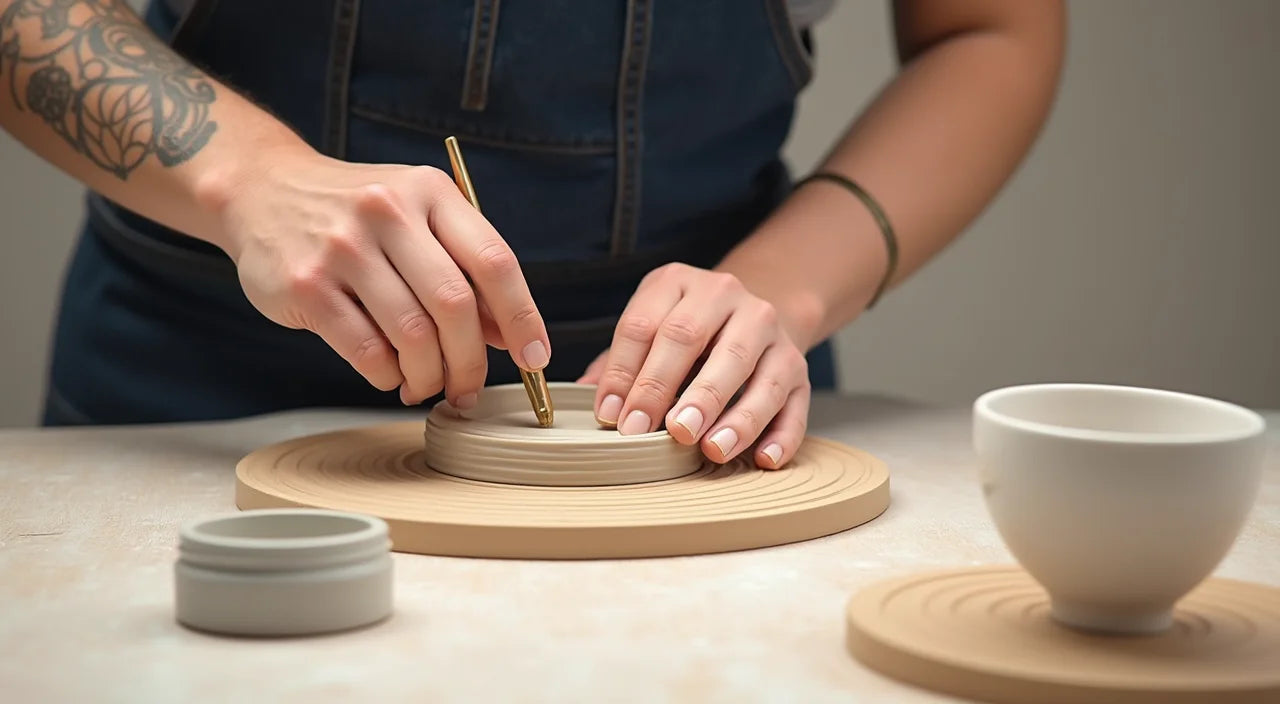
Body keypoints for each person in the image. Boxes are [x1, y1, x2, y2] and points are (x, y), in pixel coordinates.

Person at [1, 0, 1064, 468]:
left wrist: (781, 288)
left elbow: (990, 28)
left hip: (695, 403)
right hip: (194, 375)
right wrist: (247, 180)